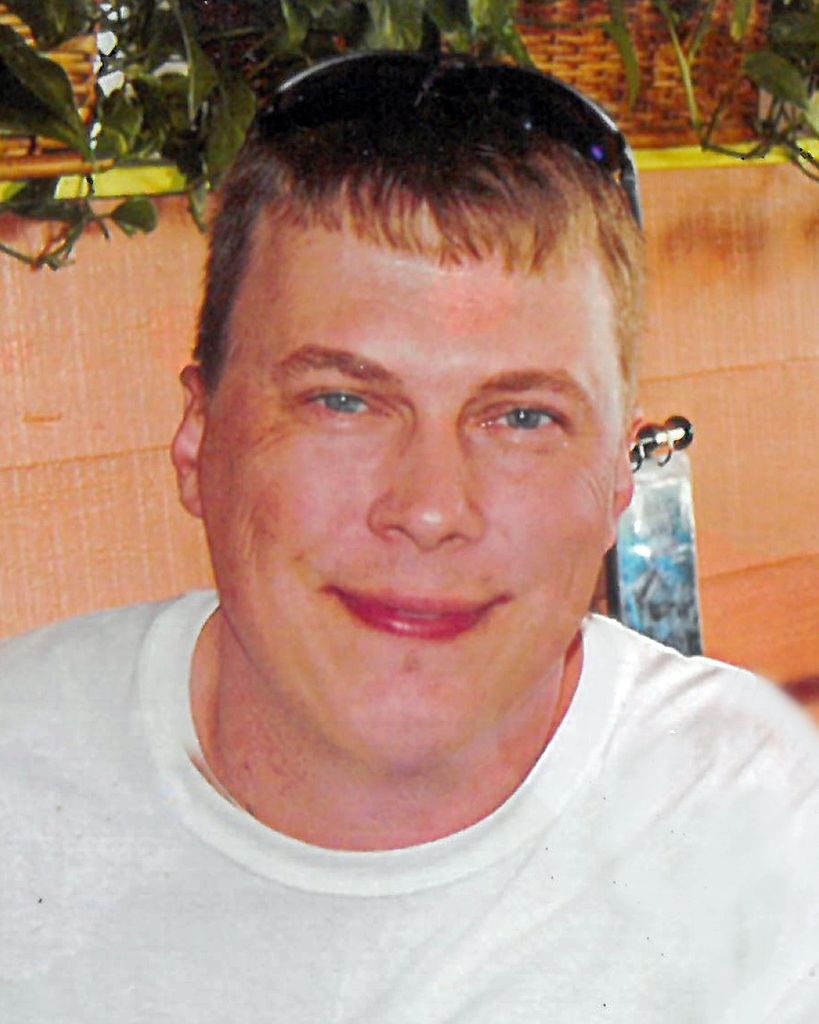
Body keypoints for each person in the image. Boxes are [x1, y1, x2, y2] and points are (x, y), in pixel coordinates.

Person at [2, 52, 818, 1023]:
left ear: (616, 478)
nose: (430, 508)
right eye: (342, 401)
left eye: (521, 417)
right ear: (197, 440)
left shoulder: (769, 834)